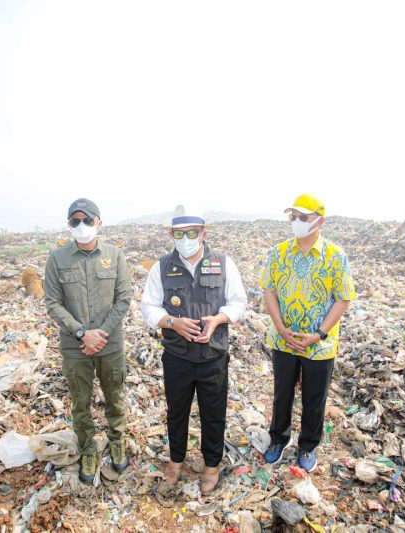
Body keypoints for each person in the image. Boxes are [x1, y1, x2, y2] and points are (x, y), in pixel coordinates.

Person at [141, 206, 247, 495]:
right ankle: (175, 462)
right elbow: (148, 306)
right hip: (177, 356)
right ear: (171, 234)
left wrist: (219, 319)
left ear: (203, 233)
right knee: (177, 412)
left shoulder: (223, 264)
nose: (186, 238)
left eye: (192, 232)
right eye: (179, 233)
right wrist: (172, 322)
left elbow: (238, 302)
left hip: (213, 356)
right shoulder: (161, 267)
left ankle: (211, 466)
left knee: (214, 413)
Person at [260, 193, 356, 472]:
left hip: (319, 345)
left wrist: (320, 334)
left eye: (303, 217)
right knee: (282, 393)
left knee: (315, 397)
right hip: (284, 340)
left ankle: (308, 446)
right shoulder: (279, 253)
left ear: (319, 221)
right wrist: (280, 327)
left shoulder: (335, 256)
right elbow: (269, 289)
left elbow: (343, 298)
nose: (297, 222)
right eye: (294, 217)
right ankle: (278, 439)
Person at [44, 198, 133, 483]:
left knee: (114, 397)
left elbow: (123, 300)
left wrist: (100, 334)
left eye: (87, 220)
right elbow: (53, 303)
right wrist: (83, 333)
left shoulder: (115, 256)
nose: (81, 226)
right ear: (69, 225)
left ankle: (117, 441)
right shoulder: (57, 259)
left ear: (99, 222)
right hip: (75, 347)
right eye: (75, 221)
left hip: (110, 345)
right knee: (80, 403)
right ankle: (87, 449)